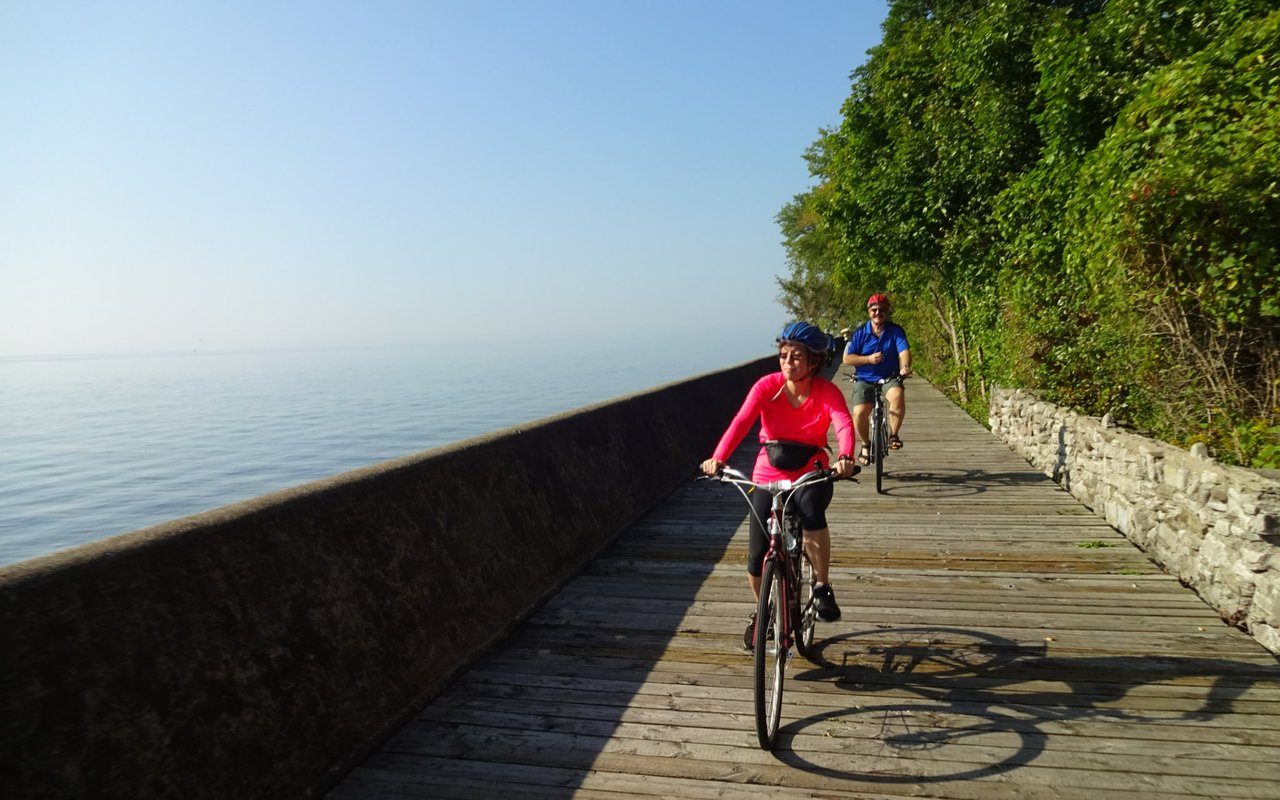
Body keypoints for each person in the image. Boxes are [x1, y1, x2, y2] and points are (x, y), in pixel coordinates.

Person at [701, 322, 857, 650]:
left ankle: (821, 586)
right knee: (757, 555)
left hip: (810, 468)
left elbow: (843, 422)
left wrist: (845, 456)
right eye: (783, 355)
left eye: (796, 357)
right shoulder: (766, 386)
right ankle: (764, 610)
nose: (787, 362)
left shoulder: (826, 391)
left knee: (811, 510)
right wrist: (717, 458)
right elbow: (741, 422)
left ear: (814, 361)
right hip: (768, 471)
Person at [842, 293, 912, 464]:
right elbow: (847, 359)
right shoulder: (860, 333)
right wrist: (868, 359)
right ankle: (866, 444)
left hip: (889, 377)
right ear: (869, 312)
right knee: (859, 413)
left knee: (897, 395)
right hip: (864, 379)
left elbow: (904, 352)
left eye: (882, 310)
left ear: (887, 312)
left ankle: (893, 435)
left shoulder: (895, 331)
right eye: (874, 310)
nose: (877, 313)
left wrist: (905, 367)